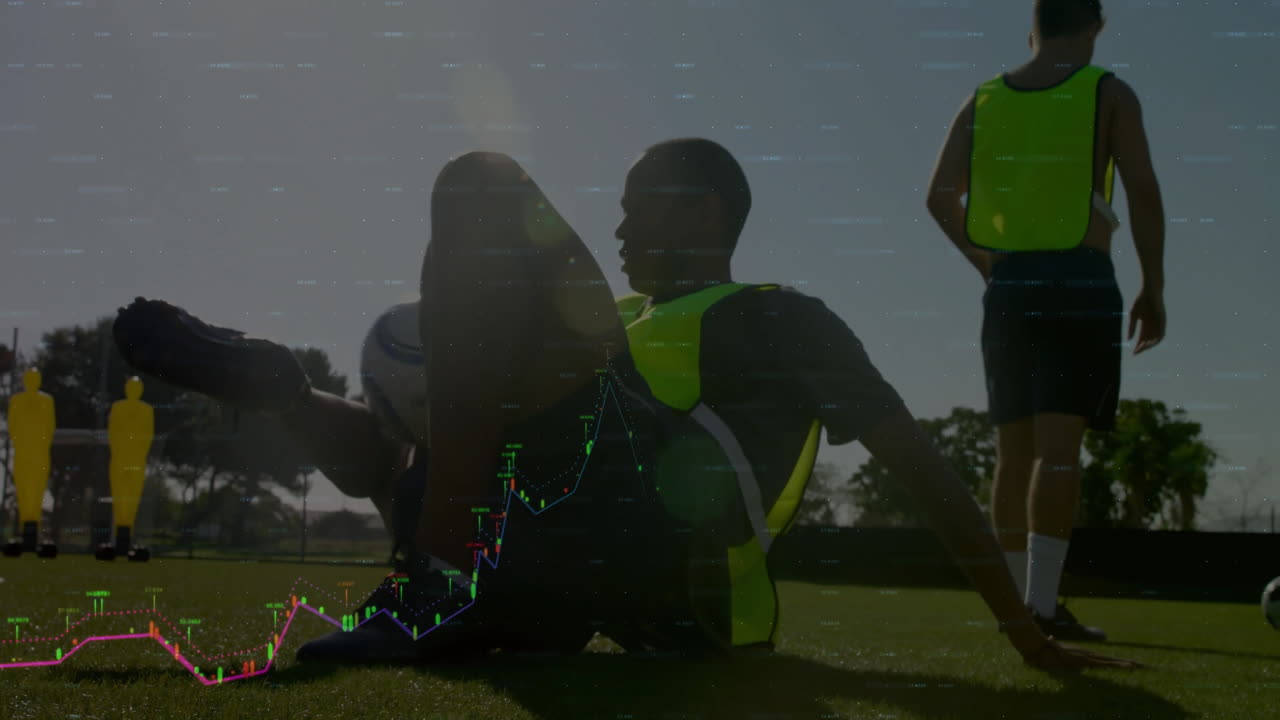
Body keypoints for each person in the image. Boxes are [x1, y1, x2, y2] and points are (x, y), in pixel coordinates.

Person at [115, 145, 1139, 670]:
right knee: (416, 460)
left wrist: (1018, 625)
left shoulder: (776, 313)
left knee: (484, 184)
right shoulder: (610, 318)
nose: (612, 215)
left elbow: (915, 462)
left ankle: (433, 583)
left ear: (703, 207)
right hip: (558, 567)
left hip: (664, 540)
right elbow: (409, 459)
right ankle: (286, 394)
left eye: (638, 194)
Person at [925, 0, 1166, 642]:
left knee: (1013, 453)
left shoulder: (983, 99)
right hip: (1079, 279)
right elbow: (1141, 189)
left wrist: (986, 263)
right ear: (1094, 28)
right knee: (1059, 454)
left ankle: (1013, 608)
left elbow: (938, 195)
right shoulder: (1107, 91)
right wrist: (1154, 286)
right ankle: (1042, 605)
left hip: (1010, 287)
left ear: (1032, 29)